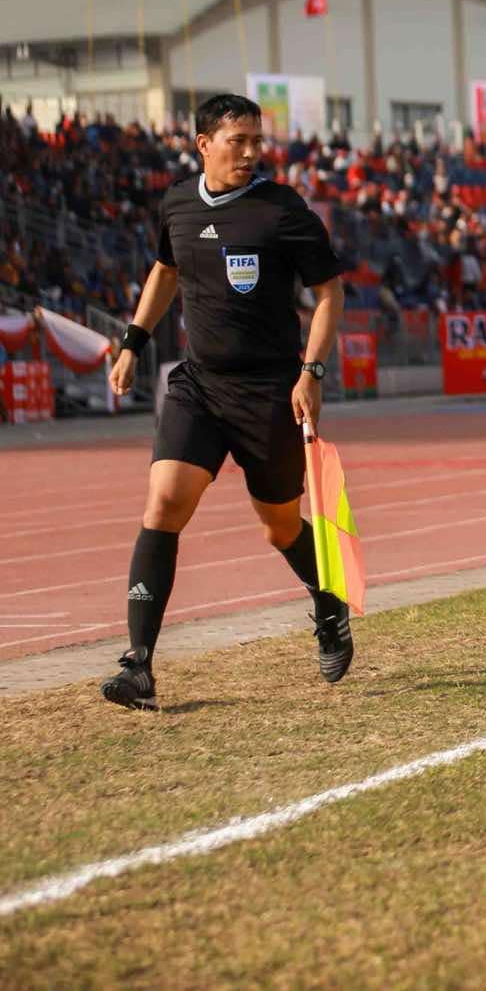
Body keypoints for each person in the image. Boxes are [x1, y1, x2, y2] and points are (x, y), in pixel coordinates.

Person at [101, 94, 348, 711]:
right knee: (164, 501)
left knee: (280, 527)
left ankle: (328, 600)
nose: (250, 151)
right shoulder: (178, 202)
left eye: (256, 140)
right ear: (203, 144)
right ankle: (139, 666)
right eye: (237, 140)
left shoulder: (282, 210)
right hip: (199, 384)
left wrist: (311, 373)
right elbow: (166, 271)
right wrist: (134, 341)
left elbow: (329, 294)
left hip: (270, 391)